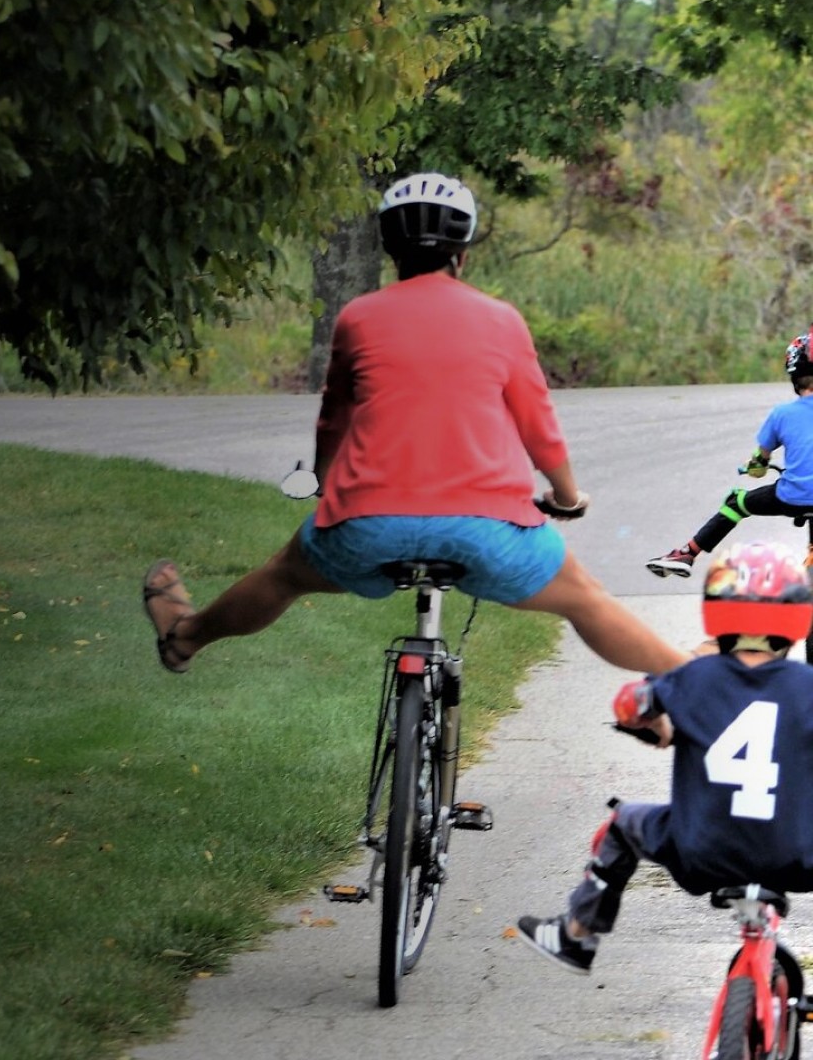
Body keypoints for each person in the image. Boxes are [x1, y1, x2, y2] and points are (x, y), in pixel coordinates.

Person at [143, 172, 687, 677]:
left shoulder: (358, 316)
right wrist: (567, 497)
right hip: (489, 531)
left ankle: (185, 637)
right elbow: (538, 426)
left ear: (389, 249)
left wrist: (325, 482)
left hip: (367, 527)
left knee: (285, 573)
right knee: (584, 598)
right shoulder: (501, 320)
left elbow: (334, 419)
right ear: (462, 252)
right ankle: (703, 682)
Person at [517, 539, 813, 975]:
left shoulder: (693, 677)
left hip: (701, 851)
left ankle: (578, 934)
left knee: (623, 824)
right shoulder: (806, 686)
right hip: (798, 855)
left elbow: (629, 705)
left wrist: (654, 723)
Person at [646, 325, 813, 578]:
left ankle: (687, 554)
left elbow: (759, 463)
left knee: (737, 503)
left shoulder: (782, 415)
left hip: (791, 497)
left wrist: (756, 465)